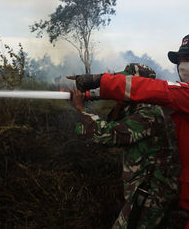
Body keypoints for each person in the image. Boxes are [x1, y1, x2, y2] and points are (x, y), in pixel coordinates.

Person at [69, 33, 189, 228]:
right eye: (181, 60)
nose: (183, 65)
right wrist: (88, 95)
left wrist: (101, 80)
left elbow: (157, 91)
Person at [71, 64, 178, 229]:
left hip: (151, 193)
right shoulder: (136, 106)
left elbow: (109, 134)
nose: (120, 85)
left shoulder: (149, 112)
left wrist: (80, 109)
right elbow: (113, 119)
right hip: (144, 190)